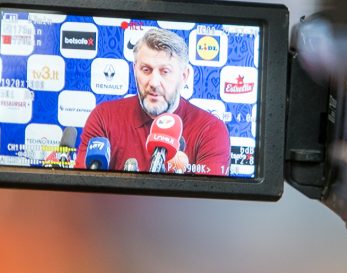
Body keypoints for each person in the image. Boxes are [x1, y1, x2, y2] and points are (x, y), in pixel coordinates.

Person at [75, 27, 231, 175]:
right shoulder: (104, 117)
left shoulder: (210, 130)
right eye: (146, 70)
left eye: (165, 71)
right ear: (135, 70)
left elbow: (209, 200)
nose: (154, 82)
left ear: (184, 76)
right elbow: (84, 192)